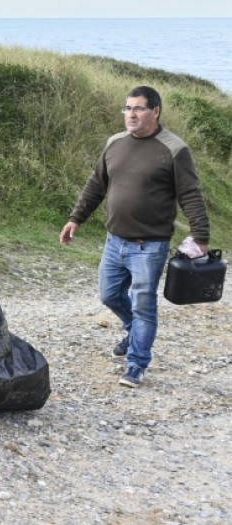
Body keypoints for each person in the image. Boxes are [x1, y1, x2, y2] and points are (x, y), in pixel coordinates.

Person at [59, 86, 210, 388]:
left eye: (138, 108)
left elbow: (191, 194)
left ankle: (137, 363)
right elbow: (96, 185)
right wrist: (76, 218)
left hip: (149, 246)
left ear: (156, 111)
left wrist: (201, 236)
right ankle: (133, 330)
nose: (131, 114)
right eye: (127, 108)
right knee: (109, 295)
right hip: (114, 241)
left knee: (144, 305)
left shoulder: (174, 149)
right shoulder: (115, 143)